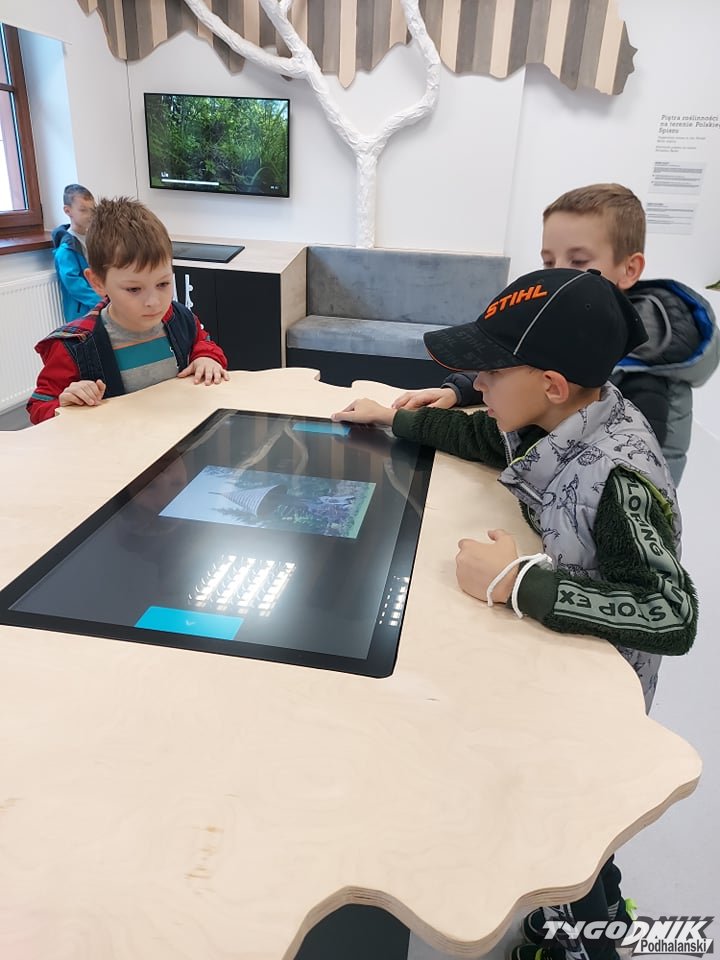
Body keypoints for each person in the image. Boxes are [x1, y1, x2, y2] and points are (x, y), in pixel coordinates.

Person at [332, 267, 698, 960]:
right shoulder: (550, 416)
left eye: (491, 374)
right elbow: (484, 438)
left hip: (595, 690)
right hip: (553, 661)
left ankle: (591, 939)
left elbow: (671, 613)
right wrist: (395, 419)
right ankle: (584, 906)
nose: (477, 386)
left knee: (568, 831)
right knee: (571, 828)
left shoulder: (619, 479)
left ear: (551, 384)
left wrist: (517, 580)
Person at [393, 183, 718, 485]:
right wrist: (460, 390)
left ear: (629, 269)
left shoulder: (645, 377)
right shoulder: (567, 322)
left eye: (578, 260)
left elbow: (631, 481)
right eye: (548, 261)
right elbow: (516, 359)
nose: (559, 272)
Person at [28, 197, 228, 425]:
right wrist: (64, 404)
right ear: (98, 283)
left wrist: (206, 358)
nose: (153, 302)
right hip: (116, 443)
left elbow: (204, 342)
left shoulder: (179, 318)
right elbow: (39, 405)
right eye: (134, 289)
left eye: (163, 284)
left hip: (177, 434)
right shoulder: (75, 345)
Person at [51, 183, 100, 322]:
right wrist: (101, 301)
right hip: (82, 314)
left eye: (92, 210)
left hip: (100, 307)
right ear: (68, 211)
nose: (90, 215)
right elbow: (74, 285)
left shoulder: (95, 239)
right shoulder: (66, 250)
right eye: (83, 210)